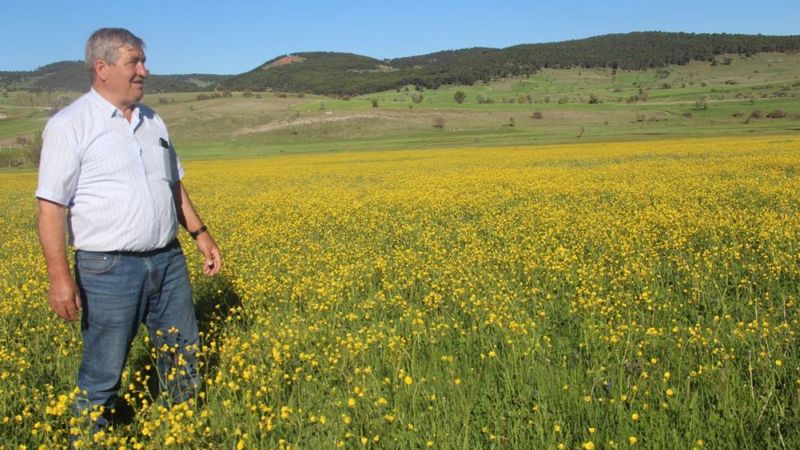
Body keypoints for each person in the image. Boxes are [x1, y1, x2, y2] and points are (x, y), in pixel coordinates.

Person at [36, 28, 221, 428]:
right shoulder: (70, 126)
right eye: (133, 62)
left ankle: (183, 429)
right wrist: (59, 277)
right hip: (108, 268)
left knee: (182, 355)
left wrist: (200, 235)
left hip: (168, 260)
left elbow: (172, 184)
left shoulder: (154, 121)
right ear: (101, 68)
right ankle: (90, 435)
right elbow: (50, 206)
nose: (144, 71)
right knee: (104, 367)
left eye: (143, 61)